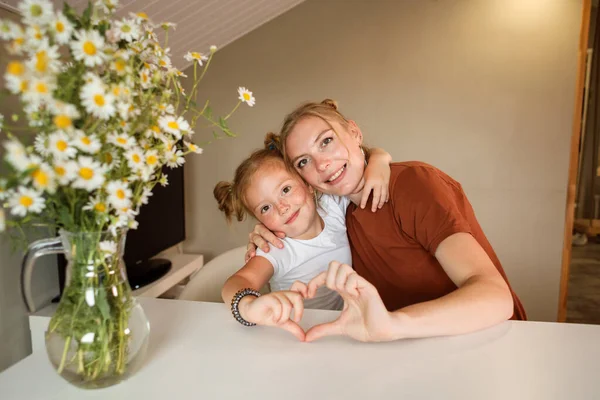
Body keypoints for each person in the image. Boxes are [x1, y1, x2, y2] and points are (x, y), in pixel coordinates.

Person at [245, 99, 527, 343]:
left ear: (354, 132)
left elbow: (496, 297)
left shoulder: (415, 185)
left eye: (327, 141)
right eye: (304, 162)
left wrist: (394, 325)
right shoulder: (340, 212)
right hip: (407, 347)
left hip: (488, 338)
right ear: (303, 181)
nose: (322, 164)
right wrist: (266, 229)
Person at [214, 133, 392, 341]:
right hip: (297, 336)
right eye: (265, 208)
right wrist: (247, 306)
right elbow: (237, 281)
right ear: (259, 220)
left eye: (286, 190)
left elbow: (356, 167)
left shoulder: (332, 206)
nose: (282, 207)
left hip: (344, 331)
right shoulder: (277, 247)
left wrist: (380, 158)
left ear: (307, 184)